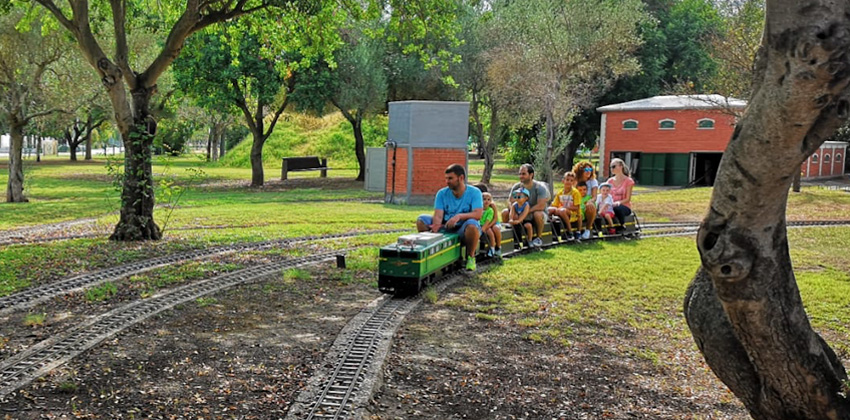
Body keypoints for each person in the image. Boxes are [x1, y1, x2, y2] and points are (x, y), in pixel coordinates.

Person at [417, 164, 483, 271]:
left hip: (464, 228)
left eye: (450, 178)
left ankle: (470, 257)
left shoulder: (475, 193)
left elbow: (478, 214)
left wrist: (459, 216)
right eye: (446, 178)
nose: (447, 181)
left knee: (472, 225)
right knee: (421, 220)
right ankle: (432, 253)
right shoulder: (442, 193)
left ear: (461, 178)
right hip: (446, 226)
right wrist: (436, 227)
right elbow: (438, 215)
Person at [501, 163, 550, 247]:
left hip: (535, 213)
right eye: (520, 174)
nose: (521, 176)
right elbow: (510, 201)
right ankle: (510, 238)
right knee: (505, 212)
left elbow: (541, 206)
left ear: (531, 175)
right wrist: (514, 211)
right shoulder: (516, 187)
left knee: (537, 214)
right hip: (520, 211)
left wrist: (525, 212)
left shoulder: (540, 188)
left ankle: (539, 238)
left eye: (523, 174)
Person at [548, 172, 583, 241]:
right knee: (549, 209)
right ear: (563, 181)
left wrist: (564, 208)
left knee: (562, 211)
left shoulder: (575, 192)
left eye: (571, 180)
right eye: (567, 180)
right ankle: (549, 229)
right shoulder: (560, 192)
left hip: (573, 214)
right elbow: (554, 205)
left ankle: (570, 232)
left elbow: (576, 207)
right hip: (561, 210)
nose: (569, 182)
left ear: (573, 182)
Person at [606, 158, 635, 227]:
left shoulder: (628, 181)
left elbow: (628, 199)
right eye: (610, 167)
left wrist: (618, 203)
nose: (612, 169)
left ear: (621, 166)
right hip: (611, 205)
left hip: (624, 206)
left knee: (617, 209)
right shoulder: (609, 181)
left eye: (614, 166)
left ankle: (622, 225)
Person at [573, 161, 598, 239]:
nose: (589, 172)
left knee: (591, 206)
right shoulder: (575, 181)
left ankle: (587, 229)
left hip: (588, 201)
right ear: (580, 170)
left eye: (590, 170)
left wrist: (590, 201)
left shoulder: (593, 181)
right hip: (577, 202)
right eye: (586, 170)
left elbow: (594, 197)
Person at [480, 192, 503, 257]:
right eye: (484, 199)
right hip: (484, 225)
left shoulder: (491, 208)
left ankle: (497, 247)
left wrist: (487, 226)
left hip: (493, 223)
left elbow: (494, 219)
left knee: (494, 229)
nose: (486, 201)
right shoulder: (479, 208)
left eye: (488, 199)